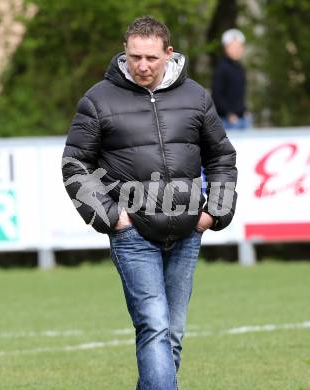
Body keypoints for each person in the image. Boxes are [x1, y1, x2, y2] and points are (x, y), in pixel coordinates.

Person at [62, 16, 237, 390]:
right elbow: (75, 164)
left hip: (188, 232)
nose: (142, 65)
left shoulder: (196, 97)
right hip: (132, 234)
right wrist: (112, 216)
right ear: (125, 52)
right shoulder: (97, 99)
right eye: (134, 56)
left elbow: (221, 157)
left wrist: (214, 213)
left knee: (172, 332)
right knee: (154, 325)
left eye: (151, 58)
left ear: (168, 54)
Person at [212, 28, 251, 130]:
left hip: (242, 119)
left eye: (239, 46)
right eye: (233, 46)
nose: (237, 49)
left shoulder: (240, 68)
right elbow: (216, 96)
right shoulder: (221, 69)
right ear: (226, 48)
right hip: (227, 121)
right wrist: (228, 114)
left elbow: (239, 95)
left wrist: (244, 111)